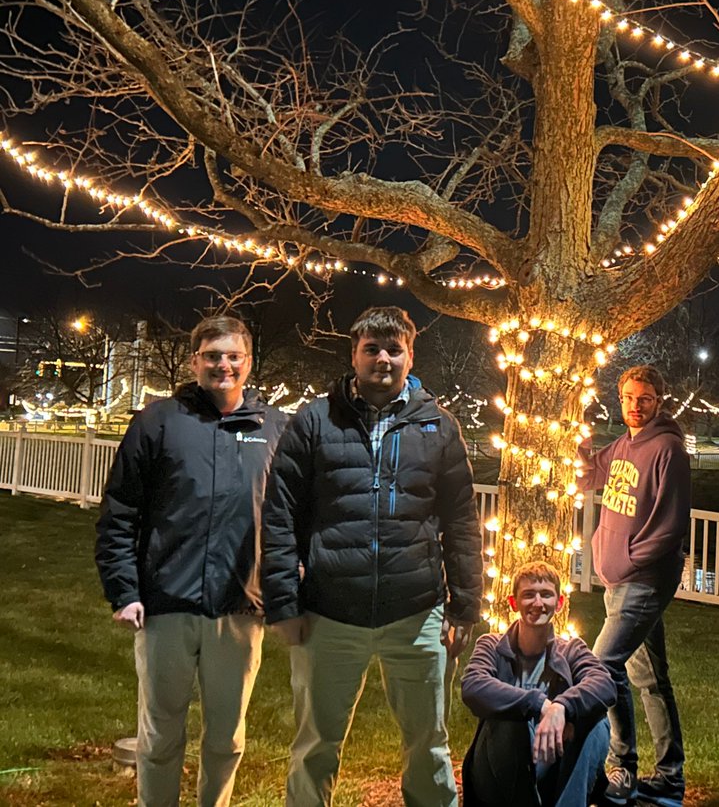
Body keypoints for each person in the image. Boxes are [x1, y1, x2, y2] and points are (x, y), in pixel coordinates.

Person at [260, 306, 482, 807]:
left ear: (409, 355)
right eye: (371, 349)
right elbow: (280, 517)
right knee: (315, 745)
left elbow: (461, 521)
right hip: (329, 614)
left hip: (417, 612)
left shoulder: (438, 426)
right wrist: (283, 602)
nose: (383, 359)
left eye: (393, 349)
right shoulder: (314, 421)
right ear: (354, 355)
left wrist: (465, 603)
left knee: (428, 745)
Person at [95, 315, 287, 807]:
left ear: (248, 362)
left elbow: (291, 520)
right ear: (194, 361)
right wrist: (125, 590)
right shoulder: (158, 422)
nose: (223, 365)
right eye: (212, 356)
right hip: (165, 605)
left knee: (227, 738)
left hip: (241, 607)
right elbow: (121, 511)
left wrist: (285, 592)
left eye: (233, 356)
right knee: (160, 736)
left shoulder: (275, 430)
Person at [576, 365, 691, 807]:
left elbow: (671, 525)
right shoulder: (624, 444)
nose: (635, 406)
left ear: (660, 399)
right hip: (618, 579)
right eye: (627, 397)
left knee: (601, 666)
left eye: (644, 398)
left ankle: (622, 766)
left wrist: (626, 558)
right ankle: (669, 780)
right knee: (650, 678)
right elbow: (589, 478)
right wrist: (582, 451)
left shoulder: (668, 450)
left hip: (643, 580)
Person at [461, 561, 616, 807]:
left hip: (553, 768)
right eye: (528, 595)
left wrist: (562, 708)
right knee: (512, 718)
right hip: (498, 775)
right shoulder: (491, 645)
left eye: (546, 595)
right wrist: (541, 705)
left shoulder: (571, 649)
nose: (537, 603)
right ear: (513, 603)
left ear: (560, 603)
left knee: (598, 721)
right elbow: (473, 685)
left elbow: (604, 684)